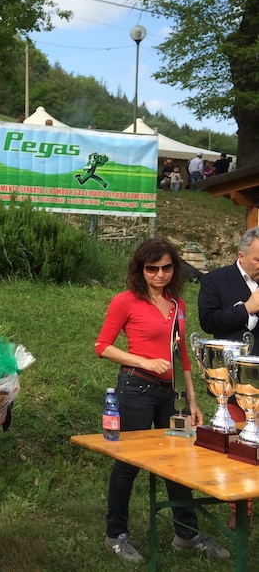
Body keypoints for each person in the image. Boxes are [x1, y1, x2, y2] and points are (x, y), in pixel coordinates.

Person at [95, 239, 228, 563]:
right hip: (136, 389)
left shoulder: (177, 304)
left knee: (178, 461)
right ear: (140, 270)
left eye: (166, 267)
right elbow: (102, 346)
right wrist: (144, 361)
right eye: (152, 268)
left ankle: (186, 534)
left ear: (175, 269)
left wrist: (192, 401)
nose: (159, 274)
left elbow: (182, 355)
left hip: (171, 392)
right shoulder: (125, 301)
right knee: (128, 463)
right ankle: (116, 534)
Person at [198, 227, 259, 529]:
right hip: (234, 385)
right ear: (241, 256)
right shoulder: (216, 280)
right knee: (241, 448)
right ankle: (240, 510)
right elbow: (209, 322)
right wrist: (246, 309)